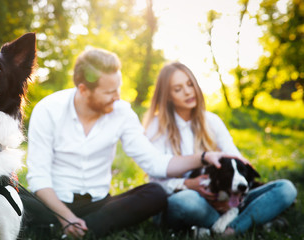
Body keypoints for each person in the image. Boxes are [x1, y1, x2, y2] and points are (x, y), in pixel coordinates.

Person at [22, 48, 239, 239]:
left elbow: (155, 163)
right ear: (84, 90)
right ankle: (74, 227)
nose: (117, 97)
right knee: (12, 194)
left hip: (100, 204)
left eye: (118, 89)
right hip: (53, 203)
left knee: (155, 193)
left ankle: (70, 229)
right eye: (109, 92)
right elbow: (39, 178)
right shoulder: (48, 110)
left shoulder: (122, 112)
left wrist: (203, 157)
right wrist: (66, 217)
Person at [142, 62, 297, 235]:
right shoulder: (156, 127)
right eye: (178, 89)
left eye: (190, 84)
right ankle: (247, 221)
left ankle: (229, 230)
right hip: (186, 200)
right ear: (167, 96)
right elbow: (153, 184)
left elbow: (234, 157)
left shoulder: (212, 121)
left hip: (223, 194)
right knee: (185, 201)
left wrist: (233, 194)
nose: (187, 91)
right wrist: (187, 184)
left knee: (285, 189)